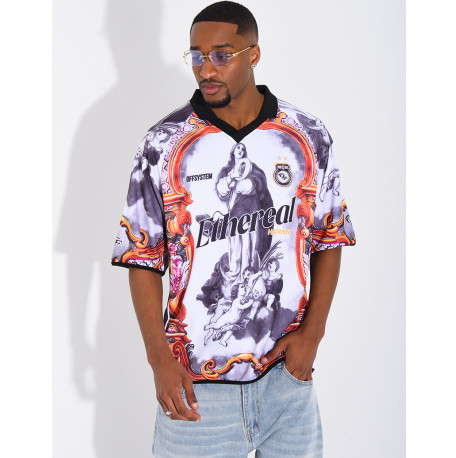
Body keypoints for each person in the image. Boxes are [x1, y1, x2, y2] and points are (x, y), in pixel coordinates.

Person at [111, 1, 356, 456]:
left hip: (287, 384)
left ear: (253, 54)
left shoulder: (307, 135)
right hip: (196, 392)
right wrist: (159, 361)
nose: (206, 69)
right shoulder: (162, 144)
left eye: (222, 55)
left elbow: (329, 236)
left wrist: (312, 336)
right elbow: (140, 257)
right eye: (197, 56)